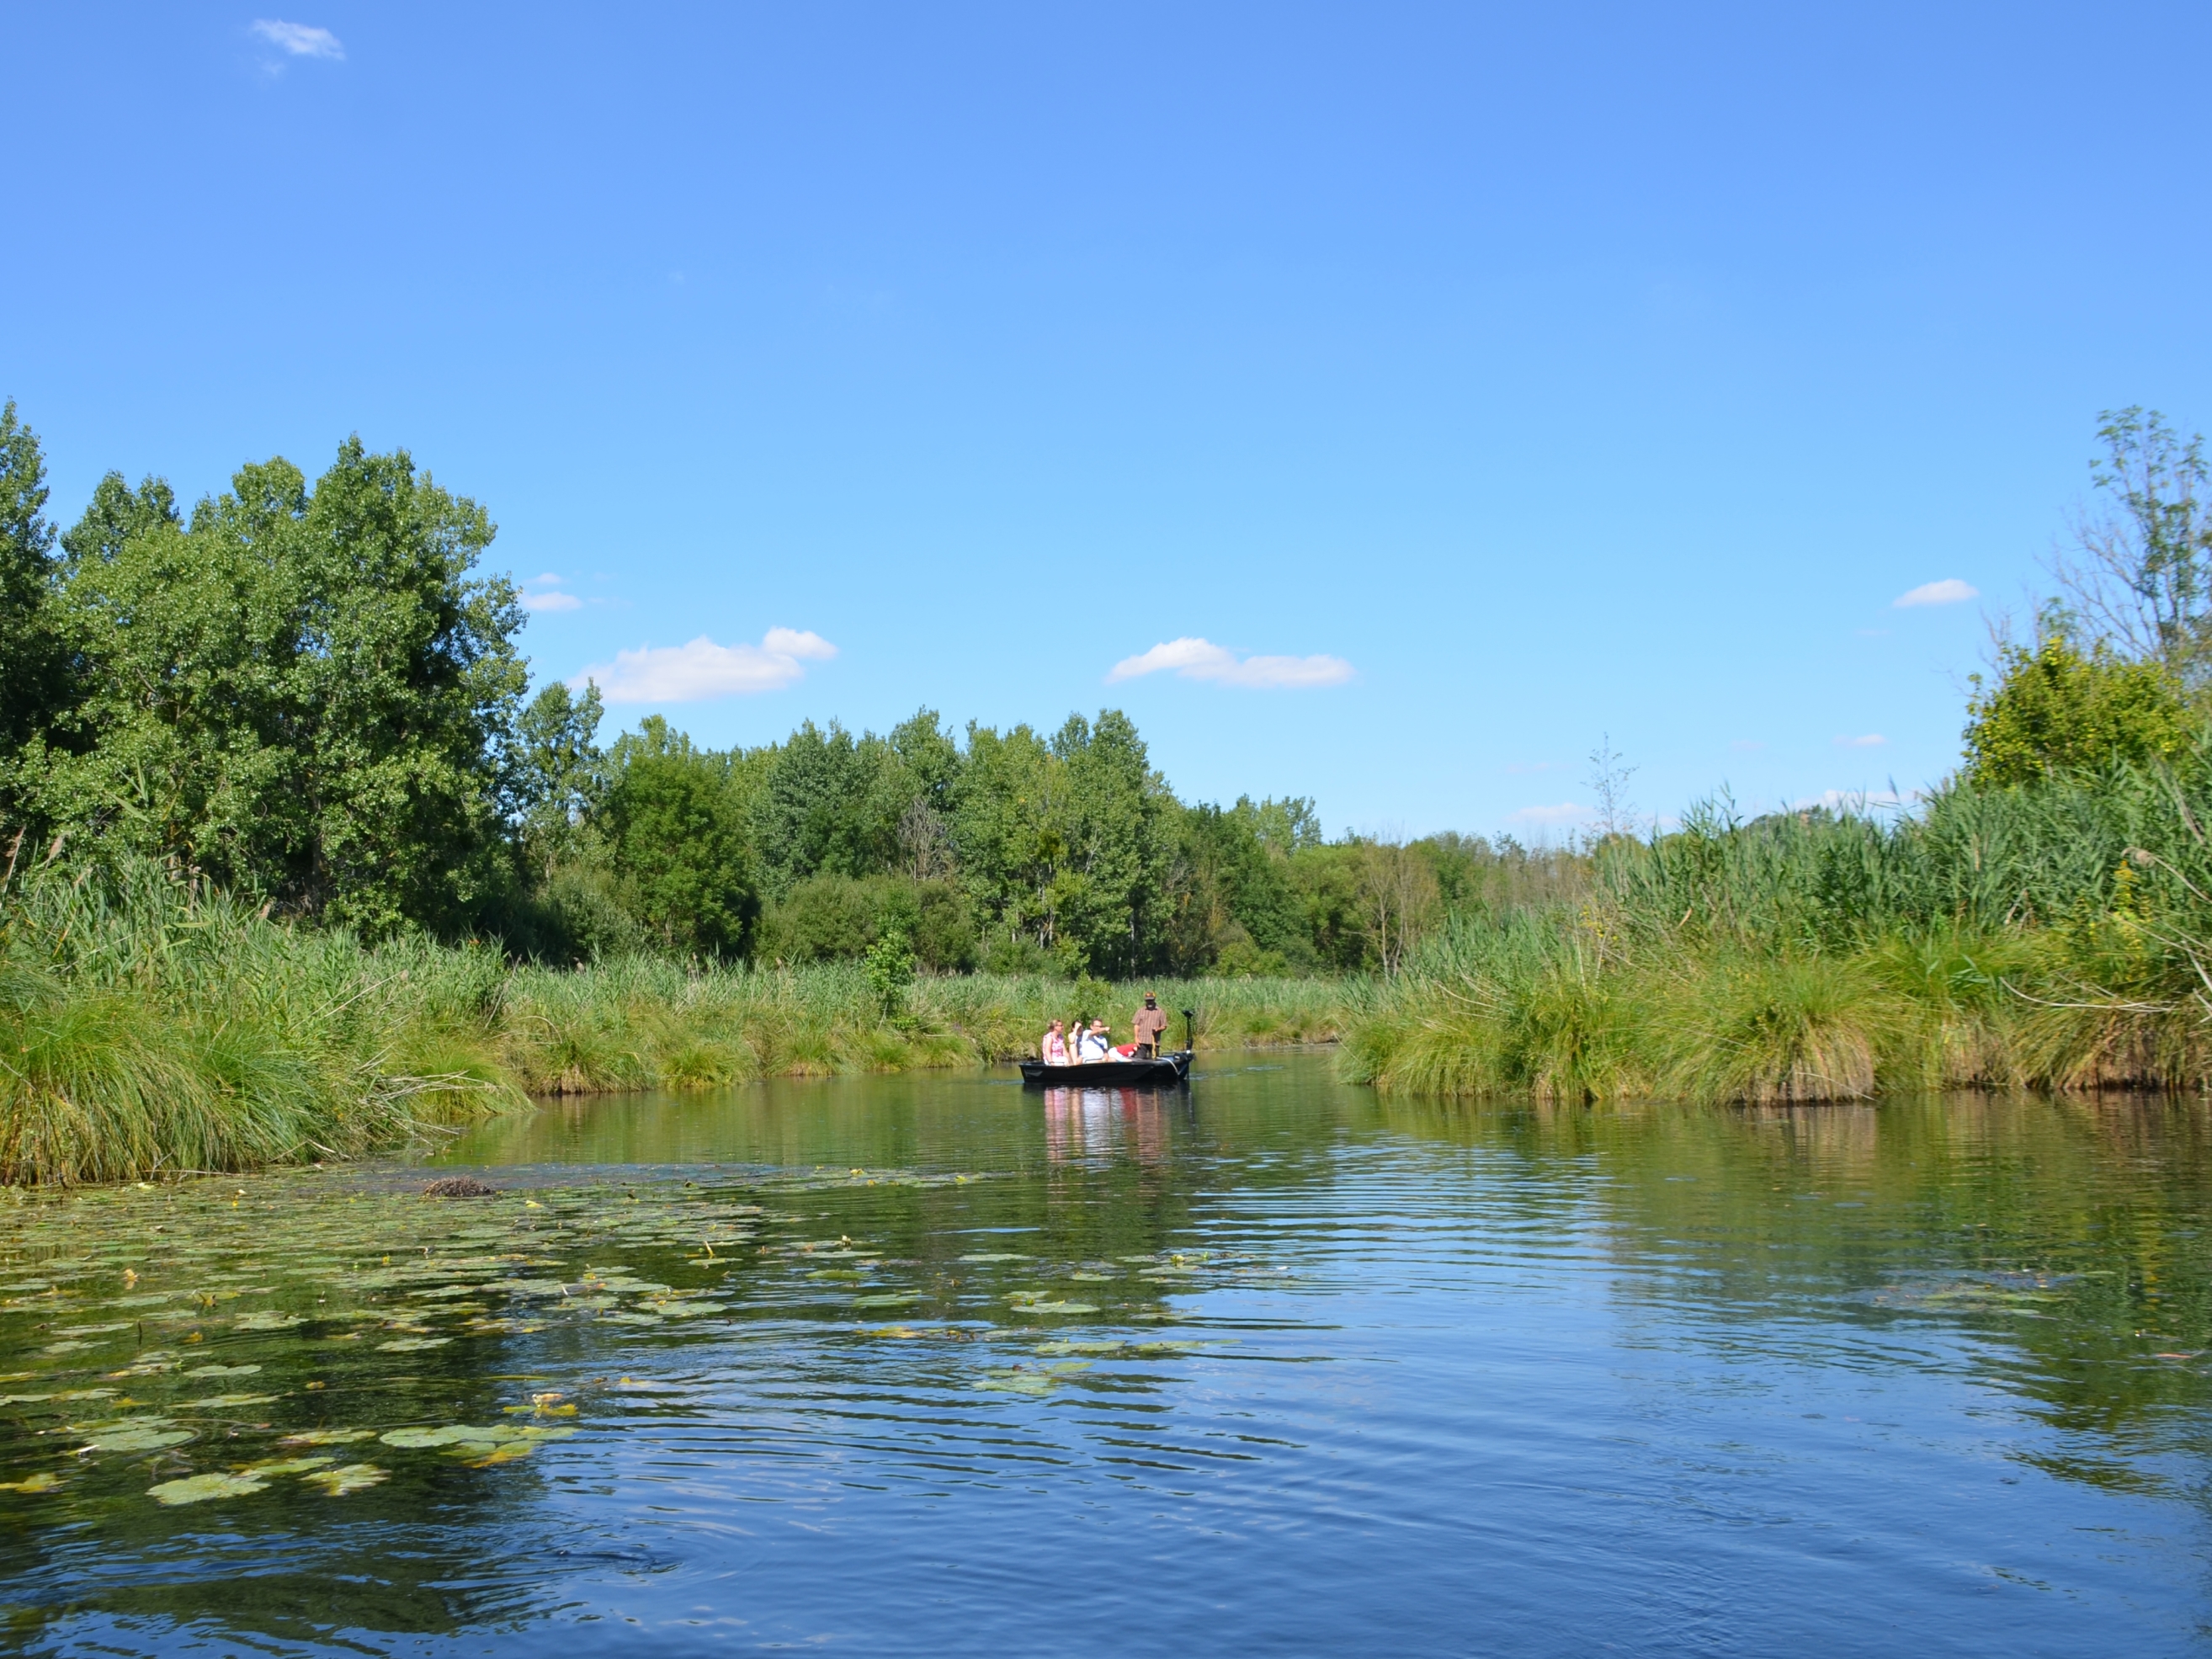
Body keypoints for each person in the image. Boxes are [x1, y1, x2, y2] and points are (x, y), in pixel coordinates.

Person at [1132, 993, 1168, 1059]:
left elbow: (1164, 1026)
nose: (1149, 1002)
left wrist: (1158, 1029)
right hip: (1142, 1041)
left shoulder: (1160, 1012)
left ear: (1154, 999)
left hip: (1154, 1041)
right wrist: (1136, 1037)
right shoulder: (1140, 1011)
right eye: (1148, 1000)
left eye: (1151, 1000)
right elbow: (1136, 1025)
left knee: (1154, 1060)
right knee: (1139, 1060)